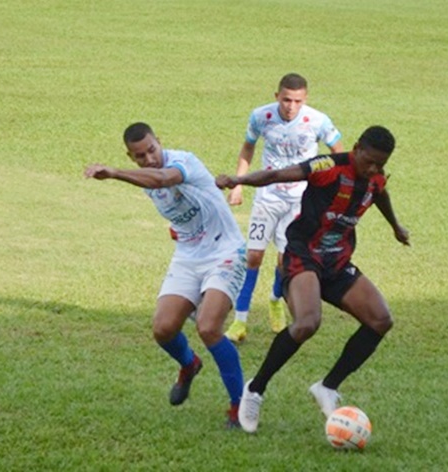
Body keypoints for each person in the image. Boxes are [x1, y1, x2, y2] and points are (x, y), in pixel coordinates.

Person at [216, 125, 410, 433]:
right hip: (302, 254)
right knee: (307, 322)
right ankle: (255, 389)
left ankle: (328, 387)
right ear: (357, 147)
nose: (373, 168)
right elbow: (278, 175)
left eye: (380, 164)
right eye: (369, 160)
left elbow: (380, 193)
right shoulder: (328, 167)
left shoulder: (375, 177)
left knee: (381, 320)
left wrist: (395, 226)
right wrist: (239, 180)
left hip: (336, 260)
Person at [84, 122, 247, 428]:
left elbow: (163, 179)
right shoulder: (146, 179)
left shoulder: (182, 161)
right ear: (131, 157)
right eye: (140, 156)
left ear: (160, 142)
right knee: (163, 328)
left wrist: (115, 173)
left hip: (225, 250)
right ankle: (189, 364)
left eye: (151, 150)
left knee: (209, 327)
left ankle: (240, 406)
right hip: (188, 255)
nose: (149, 159)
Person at [224, 73, 344, 344]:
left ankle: (275, 299)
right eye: (286, 99)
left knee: (283, 260)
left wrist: (330, 186)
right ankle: (240, 322)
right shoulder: (260, 117)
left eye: (297, 101)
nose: (291, 106)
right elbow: (247, 148)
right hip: (268, 196)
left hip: (301, 199)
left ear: (305, 99)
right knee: (253, 256)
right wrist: (239, 184)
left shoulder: (317, 121)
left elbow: (338, 153)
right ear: (276, 95)